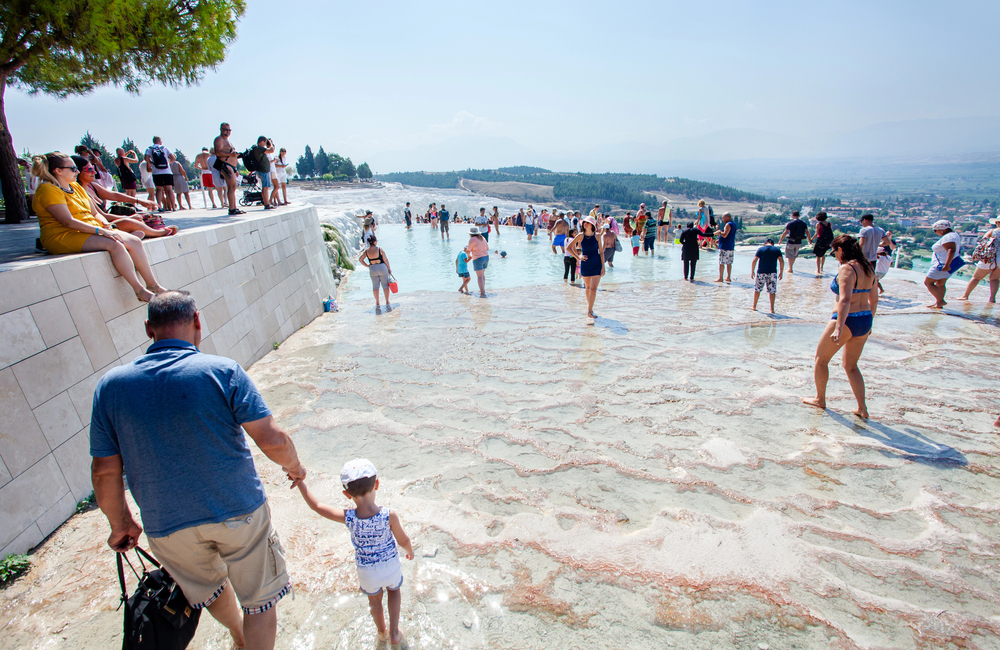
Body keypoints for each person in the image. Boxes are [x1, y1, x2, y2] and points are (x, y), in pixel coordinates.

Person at [90, 291, 305, 650]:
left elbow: (103, 472)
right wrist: (295, 468)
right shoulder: (222, 371)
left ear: (149, 330)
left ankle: (237, 636)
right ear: (197, 321)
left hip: (166, 524)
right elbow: (272, 439)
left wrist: (121, 524)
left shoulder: (110, 387)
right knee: (259, 600)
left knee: (209, 588)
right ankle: (248, 636)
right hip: (238, 512)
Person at [295, 460, 413, 647]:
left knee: (374, 602)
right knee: (394, 592)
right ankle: (394, 633)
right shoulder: (389, 515)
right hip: (390, 566)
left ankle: (381, 632)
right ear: (377, 484)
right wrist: (410, 551)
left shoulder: (349, 517)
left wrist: (300, 482)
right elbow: (403, 540)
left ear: (346, 494)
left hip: (367, 572)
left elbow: (316, 506)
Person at [31, 152, 165, 302]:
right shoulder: (47, 189)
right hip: (62, 236)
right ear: (58, 171)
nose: (77, 171)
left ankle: (153, 285)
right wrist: (100, 231)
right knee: (115, 244)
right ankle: (140, 291)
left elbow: (95, 213)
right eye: (73, 168)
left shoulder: (75, 186)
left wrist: (105, 225)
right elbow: (67, 221)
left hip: (89, 229)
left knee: (134, 241)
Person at [802, 235, 879, 418]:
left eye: (834, 252)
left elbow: (845, 299)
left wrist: (838, 327)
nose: (834, 255)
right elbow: (874, 299)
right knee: (851, 366)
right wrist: (870, 323)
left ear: (841, 250)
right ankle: (862, 408)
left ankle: (820, 399)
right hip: (864, 319)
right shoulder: (868, 267)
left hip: (846, 320)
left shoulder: (847, 268)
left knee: (821, 359)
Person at [72, 155, 176, 238]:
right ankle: (157, 233)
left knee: (139, 217)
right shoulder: (79, 191)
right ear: (77, 172)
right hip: (100, 226)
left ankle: (133, 234)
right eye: (89, 169)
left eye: (93, 168)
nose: (94, 172)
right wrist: (128, 217)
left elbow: (114, 195)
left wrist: (139, 201)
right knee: (130, 221)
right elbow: (102, 216)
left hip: (106, 223)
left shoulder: (91, 186)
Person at [568, 217, 605, 318]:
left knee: (593, 289)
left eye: (587, 223)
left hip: (596, 264)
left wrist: (603, 266)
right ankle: (590, 309)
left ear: (592, 225)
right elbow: (569, 248)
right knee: (588, 288)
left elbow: (601, 252)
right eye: (584, 222)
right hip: (585, 264)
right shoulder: (581, 235)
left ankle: (589, 311)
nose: (585, 224)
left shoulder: (597, 236)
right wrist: (578, 257)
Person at [958, 217, 1000, 303]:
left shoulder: (993, 231)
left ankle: (965, 296)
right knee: (995, 279)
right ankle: (992, 299)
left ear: (997, 223)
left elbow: (983, 242)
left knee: (976, 277)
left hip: (989, 257)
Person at [924, 220, 963, 309]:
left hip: (942, 264)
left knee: (928, 282)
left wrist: (947, 265)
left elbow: (951, 250)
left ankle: (941, 301)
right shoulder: (954, 235)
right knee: (940, 283)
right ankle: (939, 303)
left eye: (935, 230)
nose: (935, 232)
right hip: (951, 264)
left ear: (942, 229)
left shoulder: (948, 237)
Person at [213, 123, 243, 215]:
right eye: (226, 129)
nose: (228, 132)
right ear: (221, 129)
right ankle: (232, 208)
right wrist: (230, 154)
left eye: (229, 130)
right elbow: (218, 152)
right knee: (231, 187)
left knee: (233, 187)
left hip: (231, 166)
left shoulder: (228, 141)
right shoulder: (219, 139)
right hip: (225, 165)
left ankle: (234, 207)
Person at [358, 235, 393, 309]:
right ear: (374, 241)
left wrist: (367, 265)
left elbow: (360, 259)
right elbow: (385, 259)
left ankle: (377, 302)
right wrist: (389, 268)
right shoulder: (380, 249)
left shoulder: (367, 251)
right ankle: (387, 301)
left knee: (375, 286)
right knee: (385, 285)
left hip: (372, 268)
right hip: (382, 267)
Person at [751, 237, 784, 313]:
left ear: (764, 243)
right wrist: (781, 272)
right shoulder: (777, 250)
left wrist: (752, 271)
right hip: (772, 272)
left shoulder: (761, 249)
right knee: (772, 291)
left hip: (761, 272)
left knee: (757, 289)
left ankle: (754, 306)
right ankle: (772, 309)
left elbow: (754, 260)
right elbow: (781, 261)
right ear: (772, 244)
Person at [145, 136, 176, 211]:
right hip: (167, 171)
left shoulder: (149, 149)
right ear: (159, 141)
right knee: (169, 189)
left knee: (159, 189)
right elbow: (173, 158)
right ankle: (173, 207)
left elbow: (146, 158)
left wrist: (151, 163)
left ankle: (160, 206)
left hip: (156, 172)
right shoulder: (164, 148)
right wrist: (169, 163)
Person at [252, 136, 276, 210]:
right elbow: (272, 150)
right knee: (265, 188)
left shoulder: (257, 148)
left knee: (264, 188)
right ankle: (267, 204)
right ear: (262, 141)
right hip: (264, 170)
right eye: (265, 142)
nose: (266, 144)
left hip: (262, 170)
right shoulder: (259, 148)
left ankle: (266, 202)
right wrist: (271, 143)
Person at [467, 227, 490, 297]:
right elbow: (487, 248)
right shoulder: (482, 238)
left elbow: (468, 250)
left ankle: (482, 292)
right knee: (482, 275)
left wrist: (468, 256)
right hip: (486, 257)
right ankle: (482, 289)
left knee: (479, 276)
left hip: (478, 258)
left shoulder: (472, 239)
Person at [715, 212, 736, 282]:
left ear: (727, 217)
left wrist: (719, 231)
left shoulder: (728, 224)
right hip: (730, 245)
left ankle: (720, 278)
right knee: (729, 263)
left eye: (723, 218)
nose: (722, 219)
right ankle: (728, 277)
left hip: (724, 246)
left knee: (721, 262)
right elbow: (729, 235)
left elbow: (725, 235)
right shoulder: (733, 224)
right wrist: (719, 239)